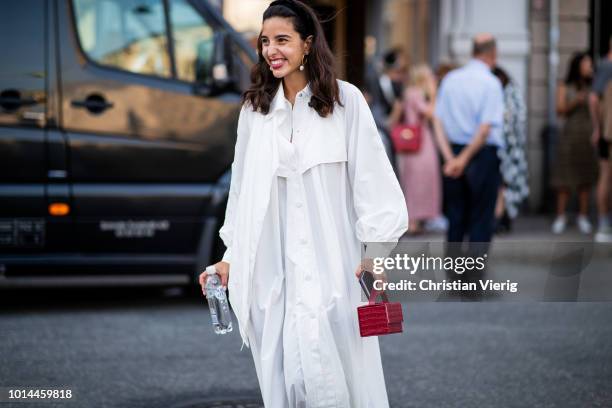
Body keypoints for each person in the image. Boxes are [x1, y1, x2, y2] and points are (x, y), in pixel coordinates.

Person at [199, 1, 408, 406]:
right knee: (284, 376)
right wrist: (230, 258)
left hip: (334, 265)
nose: (271, 50)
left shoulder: (345, 103)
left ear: (308, 44)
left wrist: (376, 256)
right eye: (265, 41)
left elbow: (373, 183)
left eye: (283, 40)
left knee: (343, 378)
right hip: (274, 271)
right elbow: (241, 193)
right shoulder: (254, 111)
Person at [434, 33, 504, 254]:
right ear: (492, 54)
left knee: (455, 216)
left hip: (453, 152)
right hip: (481, 154)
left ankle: (454, 273)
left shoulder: (451, 79)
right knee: (481, 218)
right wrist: (463, 160)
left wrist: (451, 159)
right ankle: (474, 276)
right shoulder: (491, 83)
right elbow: (484, 130)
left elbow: (437, 120)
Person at [388, 64, 450, 234]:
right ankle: (413, 220)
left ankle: (417, 219)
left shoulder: (410, 92)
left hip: (417, 142)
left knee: (418, 181)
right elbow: (431, 112)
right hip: (419, 143)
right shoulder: (415, 93)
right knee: (417, 182)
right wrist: (434, 94)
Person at [550, 52, 598, 234]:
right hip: (570, 136)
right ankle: (561, 216)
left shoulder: (594, 85)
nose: (589, 67)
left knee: (584, 178)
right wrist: (576, 102)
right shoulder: (565, 85)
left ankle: (583, 216)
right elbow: (560, 110)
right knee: (564, 178)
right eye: (586, 63)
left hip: (587, 136)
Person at [491, 66, 529, 232]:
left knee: (505, 183)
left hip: (509, 148)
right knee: (502, 184)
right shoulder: (504, 93)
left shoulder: (510, 93)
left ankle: (501, 217)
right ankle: (501, 217)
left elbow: (515, 118)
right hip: (502, 147)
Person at [590, 35, 612, 242]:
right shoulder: (608, 66)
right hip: (608, 131)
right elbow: (594, 98)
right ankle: (605, 225)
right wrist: (598, 127)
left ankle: (605, 225)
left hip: (607, 130)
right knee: (605, 175)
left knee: (605, 175)